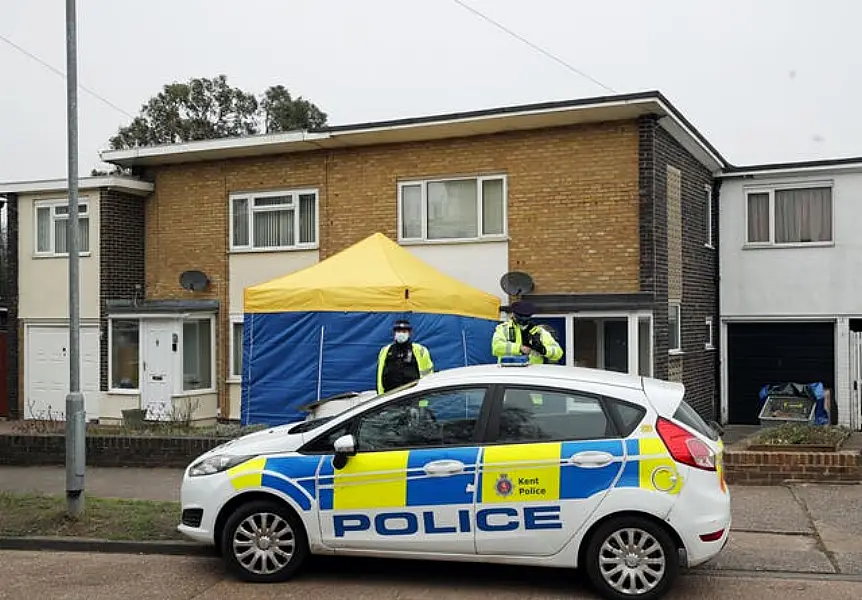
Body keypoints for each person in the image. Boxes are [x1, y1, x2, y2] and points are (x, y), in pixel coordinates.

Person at [492, 300, 563, 364]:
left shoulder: (539, 332)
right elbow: (496, 347)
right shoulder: (503, 329)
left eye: (525, 317)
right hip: (509, 373)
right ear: (513, 314)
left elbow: (558, 353)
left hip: (531, 374)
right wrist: (520, 348)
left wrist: (543, 350)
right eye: (520, 317)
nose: (523, 321)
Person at [376, 319, 434, 394]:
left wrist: (424, 400)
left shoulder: (420, 350)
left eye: (404, 332)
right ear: (394, 333)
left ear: (409, 334)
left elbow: (428, 377)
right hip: (390, 398)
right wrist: (380, 397)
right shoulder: (385, 351)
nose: (401, 334)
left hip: (413, 397)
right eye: (398, 331)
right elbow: (380, 377)